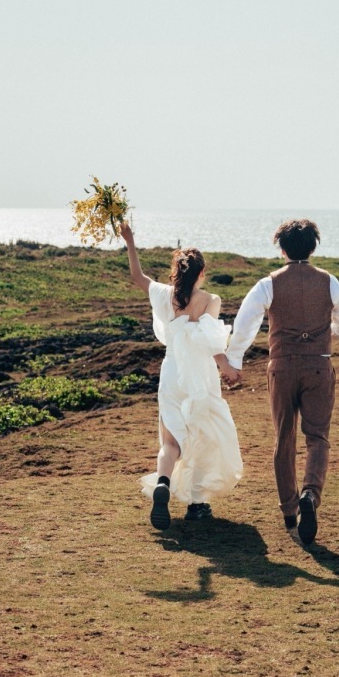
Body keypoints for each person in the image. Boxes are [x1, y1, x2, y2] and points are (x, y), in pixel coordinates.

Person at [225, 219, 339, 545]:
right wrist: (326, 335)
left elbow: (245, 323)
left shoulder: (268, 284)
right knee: (317, 438)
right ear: (313, 247)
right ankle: (311, 495)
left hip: (281, 368)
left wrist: (234, 361)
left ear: (281, 248)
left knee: (284, 439)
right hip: (319, 367)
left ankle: (289, 510)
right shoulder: (329, 282)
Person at [120, 223, 242, 528]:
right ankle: (197, 505)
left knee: (171, 440)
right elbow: (209, 342)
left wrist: (130, 240)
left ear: (176, 271)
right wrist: (226, 365)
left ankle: (163, 481)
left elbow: (138, 277)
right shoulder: (210, 301)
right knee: (202, 435)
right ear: (201, 273)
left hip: (172, 372)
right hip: (199, 374)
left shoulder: (164, 295)